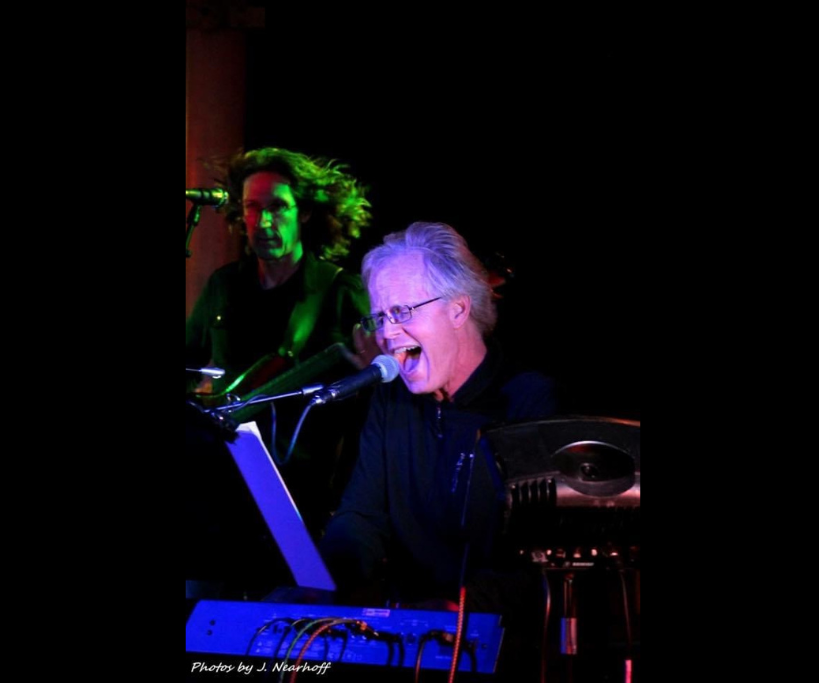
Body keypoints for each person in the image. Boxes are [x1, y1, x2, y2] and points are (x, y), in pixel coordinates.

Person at [319, 222, 560, 617]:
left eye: (401, 312)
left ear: (458, 309)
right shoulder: (390, 400)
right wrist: (324, 582)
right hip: (402, 623)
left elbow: (541, 557)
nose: (387, 333)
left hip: (499, 634)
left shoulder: (529, 402)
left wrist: (464, 606)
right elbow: (362, 514)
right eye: (379, 317)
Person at [185, 147, 375, 597]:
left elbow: (371, 409)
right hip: (220, 494)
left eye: (278, 207)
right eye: (253, 207)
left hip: (301, 501)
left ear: (304, 212)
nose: (264, 221)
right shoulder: (223, 286)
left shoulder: (338, 291)